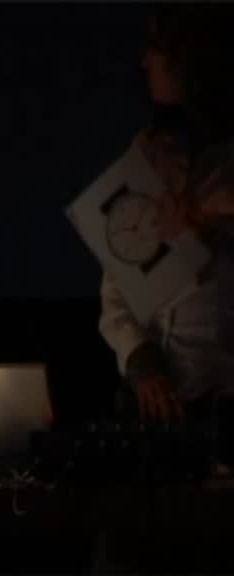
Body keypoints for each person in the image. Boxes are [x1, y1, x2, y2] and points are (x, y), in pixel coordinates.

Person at [99, 5, 234, 426]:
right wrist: (144, 364)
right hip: (166, 411)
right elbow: (116, 294)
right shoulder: (146, 157)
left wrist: (205, 216)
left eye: (157, 48)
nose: (145, 62)